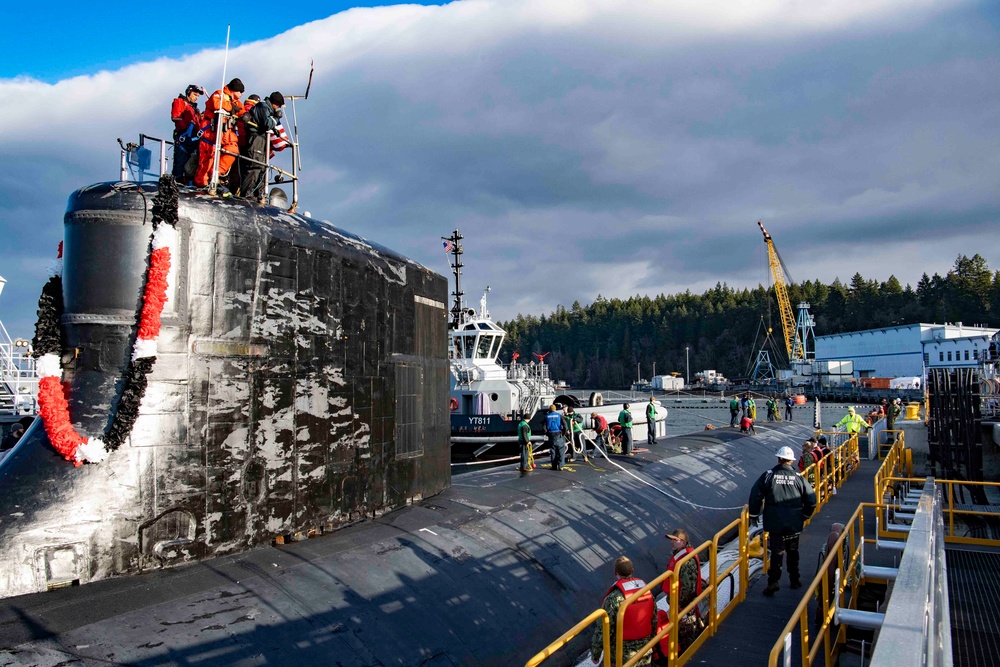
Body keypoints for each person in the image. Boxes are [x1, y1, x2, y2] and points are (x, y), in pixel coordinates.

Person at [749, 446, 817, 596]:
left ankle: (773, 582)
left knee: (776, 552)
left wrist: (753, 515)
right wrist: (805, 515)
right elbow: (811, 499)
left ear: (779, 459)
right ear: (791, 461)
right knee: (793, 551)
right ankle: (795, 579)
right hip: (794, 523)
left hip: (775, 523)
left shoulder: (769, 475)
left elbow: (756, 495)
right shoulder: (799, 478)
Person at [590, 556, 655, 666]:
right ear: (632, 571)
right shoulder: (645, 590)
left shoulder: (613, 598)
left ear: (616, 572)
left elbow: (603, 629)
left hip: (621, 654)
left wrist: (595, 654)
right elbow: (654, 618)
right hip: (645, 650)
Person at [194, 78, 246, 189]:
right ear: (234, 90)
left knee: (232, 151)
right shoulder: (219, 94)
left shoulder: (236, 102)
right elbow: (217, 104)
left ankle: (215, 174)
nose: (242, 94)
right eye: (240, 91)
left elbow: (241, 111)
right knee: (206, 162)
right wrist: (232, 108)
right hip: (210, 134)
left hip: (224, 136)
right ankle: (201, 186)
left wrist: (246, 115)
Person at [662, 529, 704, 654]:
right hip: (678, 602)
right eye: (671, 540)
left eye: (675, 540)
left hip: (683, 605)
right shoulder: (681, 555)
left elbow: (688, 587)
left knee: (686, 632)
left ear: (684, 542)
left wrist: (680, 604)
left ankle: (687, 651)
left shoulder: (686, 560)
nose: (672, 543)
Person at [239, 91, 285, 200]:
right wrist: (276, 118)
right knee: (254, 165)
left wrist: (275, 130)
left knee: (261, 167)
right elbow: (267, 123)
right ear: (275, 104)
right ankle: (247, 194)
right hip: (256, 139)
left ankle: (257, 194)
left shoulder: (266, 108)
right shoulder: (263, 107)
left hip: (261, 139)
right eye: (278, 106)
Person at [170, 84, 204, 183]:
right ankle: (176, 185)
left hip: (193, 140)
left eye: (198, 96)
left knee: (191, 167)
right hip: (184, 139)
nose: (196, 97)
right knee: (180, 165)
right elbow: (176, 116)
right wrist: (185, 128)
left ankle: (188, 184)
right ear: (188, 93)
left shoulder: (194, 109)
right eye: (194, 94)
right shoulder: (180, 102)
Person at [545, 404, 567, 470]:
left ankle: (554, 466)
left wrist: (547, 434)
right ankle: (561, 466)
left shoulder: (547, 416)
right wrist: (564, 433)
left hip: (551, 435)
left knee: (553, 451)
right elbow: (565, 424)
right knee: (561, 451)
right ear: (555, 409)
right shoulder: (559, 415)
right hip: (558, 434)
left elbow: (544, 427)